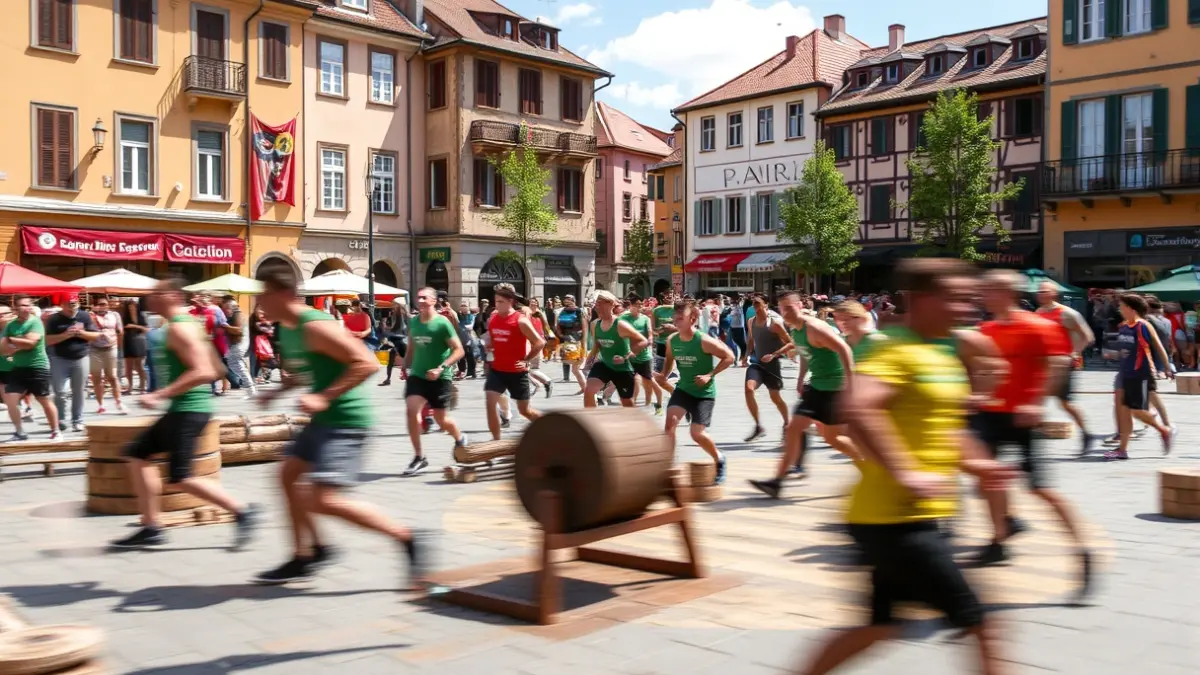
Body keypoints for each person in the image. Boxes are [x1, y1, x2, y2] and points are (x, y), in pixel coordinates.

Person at [796, 259, 1016, 675]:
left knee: (879, 627)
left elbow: (945, 428)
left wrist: (982, 465)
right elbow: (858, 408)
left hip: (913, 515)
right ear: (921, 299)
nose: (966, 307)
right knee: (981, 623)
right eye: (955, 298)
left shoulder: (941, 352)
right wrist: (905, 472)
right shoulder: (894, 348)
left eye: (968, 298)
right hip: (895, 520)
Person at [253, 269, 428, 585]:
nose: (259, 301)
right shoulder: (288, 329)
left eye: (264, 293)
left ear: (283, 294)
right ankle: (307, 553)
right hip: (323, 419)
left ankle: (406, 537)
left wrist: (323, 397)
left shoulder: (314, 325)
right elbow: (311, 370)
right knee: (286, 476)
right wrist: (277, 392)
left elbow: (367, 363)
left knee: (323, 500)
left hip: (347, 419)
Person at [109, 277, 258, 550]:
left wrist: (160, 394)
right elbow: (218, 369)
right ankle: (151, 526)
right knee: (137, 454)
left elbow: (204, 371)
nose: (151, 298)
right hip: (184, 408)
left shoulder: (180, 328)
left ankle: (242, 512)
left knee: (181, 477)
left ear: (174, 297)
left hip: (189, 410)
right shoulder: (187, 324)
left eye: (158, 293)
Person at [971, 271, 1092, 594]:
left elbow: (1057, 365)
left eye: (989, 290)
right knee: (987, 479)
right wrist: (977, 395)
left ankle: (1082, 551)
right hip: (990, 414)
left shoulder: (1037, 326)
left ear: (1007, 293)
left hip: (1023, 418)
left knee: (1041, 489)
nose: (983, 295)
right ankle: (1000, 537)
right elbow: (985, 369)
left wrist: (1036, 403)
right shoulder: (987, 328)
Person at [749, 291, 859, 499]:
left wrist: (851, 386)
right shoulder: (796, 330)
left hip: (833, 388)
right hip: (816, 386)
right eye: (782, 309)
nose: (786, 313)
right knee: (794, 429)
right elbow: (807, 354)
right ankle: (776, 482)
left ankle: (868, 464)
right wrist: (801, 378)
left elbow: (844, 349)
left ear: (800, 306)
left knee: (833, 438)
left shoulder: (815, 327)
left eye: (790, 308)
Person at [654, 300, 735, 484]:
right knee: (670, 425)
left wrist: (709, 375)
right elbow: (669, 360)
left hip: (704, 393)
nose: (676, 322)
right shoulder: (672, 340)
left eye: (680, 318)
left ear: (692, 319)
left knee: (696, 434)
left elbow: (729, 357)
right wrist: (663, 376)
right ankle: (669, 468)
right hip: (683, 389)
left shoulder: (704, 341)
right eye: (675, 318)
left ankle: (719, 458)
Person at [400, 288, 468, 476]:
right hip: (418, 375)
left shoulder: (442, 323)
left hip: (440, 376)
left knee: (441, 419)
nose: (420, 300)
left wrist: (441, 368)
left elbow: (459, 350)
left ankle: (460, 437)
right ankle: (419, 457)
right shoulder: (414, 322)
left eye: (425, 297)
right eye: (418, 297)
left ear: (434, 301)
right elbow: (411, 348)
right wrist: (405, 366)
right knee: (411, 411)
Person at [1106, 293, 1175, 460]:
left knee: (1136, 411)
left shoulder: (1143, 325)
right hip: (1125, 373)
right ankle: (1122, 450)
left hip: (1140, 373)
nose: (1119, 309)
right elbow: (1125, 350)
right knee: (1123, 410)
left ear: (1131, 308)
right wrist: (1113, 354)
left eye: (1122, 306)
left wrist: (1167, 367)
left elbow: (1159, 347)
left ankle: (1164, 430)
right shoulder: (1123, 326)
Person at [1034, 282, 1095, 454]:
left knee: (1065, 404)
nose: (1040, 293)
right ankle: (1031, 432)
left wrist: (1073, 354)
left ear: (1054, 294)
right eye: (1039, 291)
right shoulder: (1038, 313)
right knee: (1034, 397)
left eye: (1044, 291)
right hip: (1043, 365)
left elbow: (1087, 336)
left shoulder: (1067, 313)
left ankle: (1086, 433)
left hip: (1061, 366)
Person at [483, 284, 546, 438]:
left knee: (525, 411)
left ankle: (549, 427)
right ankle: (496, 442)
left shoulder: (520, 320)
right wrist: (490, 346)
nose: (497, 305)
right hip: (497, 370)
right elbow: (494, 339)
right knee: (490, 402)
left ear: (510, 302)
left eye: (501, 302)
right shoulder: (493, 319)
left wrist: (526, 360)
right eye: (496, 301)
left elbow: (539, 342)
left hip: (517, 372)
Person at [2, 297, 60, 441]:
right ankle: (19, 432)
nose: (26, 308)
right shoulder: (11, 325)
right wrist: (17, 342)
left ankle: (56, 431)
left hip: (37, 367)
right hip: (18, 368)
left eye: (28, 305)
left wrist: (12, 340)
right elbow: (3, 350)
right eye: (22, 305)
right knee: (10, 400)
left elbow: (30, 343)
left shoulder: (35, 322)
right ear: (15, 308)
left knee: (44, 400)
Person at [583, 291, 649, 408]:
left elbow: (643, 341)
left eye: (599, 303)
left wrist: (626, 357)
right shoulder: (595, 324)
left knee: (627, 404)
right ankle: (591, 417)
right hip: (604, 364)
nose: (596, 307)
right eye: (596, 304)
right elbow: (596, 346)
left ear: (610, 304)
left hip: (624, 369)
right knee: (589, 390)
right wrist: (588, 362)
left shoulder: (620, 324)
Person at [44, 297, 99, 434]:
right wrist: (65, 335)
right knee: (59, 391)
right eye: (68, 304)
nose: (71, 307)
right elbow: (47, 340)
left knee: (78, 391)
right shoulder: (54, 319)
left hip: (81, 358)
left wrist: (81, 333)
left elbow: (95, 335)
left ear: (78, 304)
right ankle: (61, 419)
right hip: (59, 359)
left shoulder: (84, 316)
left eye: (74, 304)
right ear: (62, 305)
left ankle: (77, 420)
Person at [743, 293, 792, 442]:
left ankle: (787, 424)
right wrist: (746, 355)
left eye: (758, 303)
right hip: (757, 363)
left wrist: (774, 354)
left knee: (775, 398)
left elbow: (790, 343)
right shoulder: (751, 321)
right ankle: (758, 426)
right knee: (749, 389)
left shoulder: (774, 323)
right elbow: (751, 340)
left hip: (772, 365)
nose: (755, 306)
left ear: (766, 305)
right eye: (753, 303)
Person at [620, 294, 662, 413]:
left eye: (641, 305)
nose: (639, 307)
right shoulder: (623, 318)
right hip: (629, 355)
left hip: (644, 356)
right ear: (631, 306)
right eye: (637, 305)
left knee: (649, 381)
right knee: (634, 380)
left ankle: (654, 403)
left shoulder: (645, 319)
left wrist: (649, 340)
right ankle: (631, 404)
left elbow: (650, 333)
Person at [89, 296, 126, 415]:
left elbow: (120, 331)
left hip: (111, 347)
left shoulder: (114, 315)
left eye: (105, 304)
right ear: (95, 305)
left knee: (113, 376)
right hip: (94, 349)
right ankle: (101, 405)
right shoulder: (90, 316)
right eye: (100, 304)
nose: (103, 306)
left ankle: (119, 402)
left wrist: (119, 347)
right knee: (97, 378)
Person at [221, 297, 256, 399]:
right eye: (224, 308)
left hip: (239, 344)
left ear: (232, 306)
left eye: (227, 308)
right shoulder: (232, 315)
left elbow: (238, 330)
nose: (225, 311)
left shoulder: (238, 314)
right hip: (236, 345)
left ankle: (250, 388)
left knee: (235, 364)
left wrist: (225, 326)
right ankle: (249, 388)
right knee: (236, 365)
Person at [553, 294, 588, 391]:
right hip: (566, 340)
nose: (566, 301)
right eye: (565, 299)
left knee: (576, 367)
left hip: (577, 340)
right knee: (574, 367)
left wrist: (584, 347)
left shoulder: (580, 311)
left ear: (574, 300)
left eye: (569, 299)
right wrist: (561, 335)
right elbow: (557, 326)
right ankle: (584, 387)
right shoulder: (562, 311)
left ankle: (586, 388)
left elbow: (585, 329)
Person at [377, 302, 409, 386]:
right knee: (391, 359)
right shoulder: (395, 318)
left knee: (405, 361)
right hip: (398, 342)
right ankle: (388, 379)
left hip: (403, 342)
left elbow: (399, 329)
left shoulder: (403, 318)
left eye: (395, 308)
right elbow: (394, 330)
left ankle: (391, 378)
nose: (393, 310)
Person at [121, 300, 149, 394]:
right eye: (130, 307)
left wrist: (134, 326)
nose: (132, 308)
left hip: (139, 341)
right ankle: (130, 387)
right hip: (128, 340)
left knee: (139, 366)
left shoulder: (141, 316)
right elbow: (122, 328)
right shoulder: (124, 317)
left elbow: (146, 329)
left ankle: (143, 387)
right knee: (128, 367)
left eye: (134, 306)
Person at [456, 301, 478, 379]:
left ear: (468, 307)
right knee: (460, 356)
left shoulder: (471, 316)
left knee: (470, 355)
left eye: (465, 306)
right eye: (462, 306)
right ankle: (462, 370)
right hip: (460, 338)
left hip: (469, 338)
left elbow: (470, 326)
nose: (463, 307)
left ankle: (472, 372)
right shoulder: (458, 315)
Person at [728, 296, 748, 367]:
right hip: (735, 327)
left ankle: (742, 359)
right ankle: (739, 359)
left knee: (742, 344)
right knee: (740, 344)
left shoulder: (738, 307)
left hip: (738, 327)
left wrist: (739, 301)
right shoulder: (733, 308)